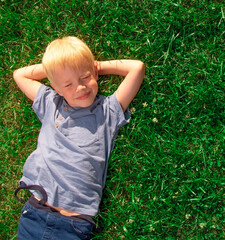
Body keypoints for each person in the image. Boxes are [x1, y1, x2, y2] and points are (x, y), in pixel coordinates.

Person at [13, 36, 145, 239]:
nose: (80, 88)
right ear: (56, 88)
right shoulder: (51, 103)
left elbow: (136, 68)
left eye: (85, 77)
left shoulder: (107, 111)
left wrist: (96, 66)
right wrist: (56, 68)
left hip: (73, 224)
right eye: (68, 84)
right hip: (35, 212)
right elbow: (19, 75)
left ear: (94, 72)